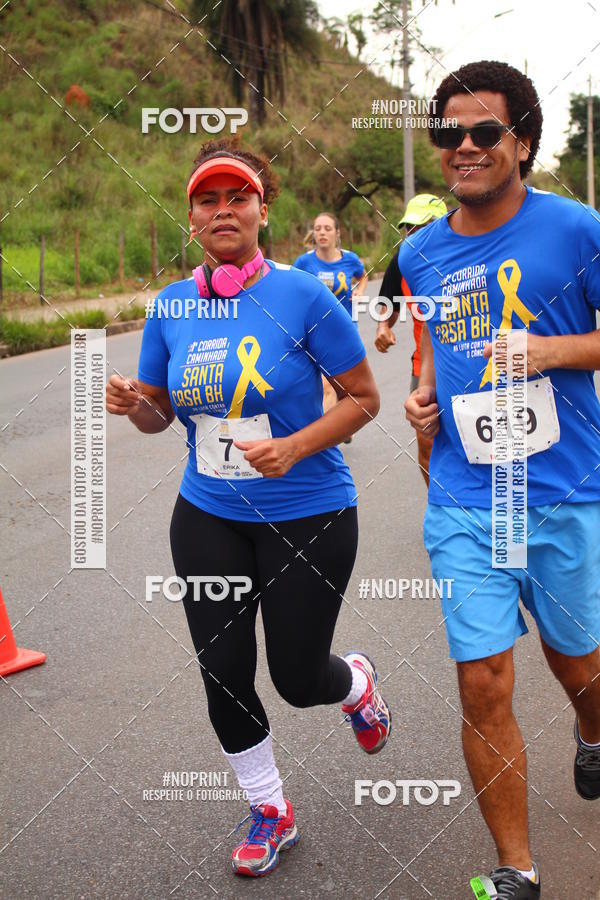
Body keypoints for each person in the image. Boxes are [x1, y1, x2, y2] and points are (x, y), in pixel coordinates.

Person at [105, 140, 391, 879]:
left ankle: (354, 682)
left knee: (298, 680)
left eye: (239, 197)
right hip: (208, 517)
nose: (223, 209)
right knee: (224, 671)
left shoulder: (304, 295)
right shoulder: (171, 304)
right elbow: (162, 416)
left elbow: (365, 397)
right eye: (208, 198)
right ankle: (271, 810)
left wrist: (295, 447)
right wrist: (138, 404)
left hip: (310, 511)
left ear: (264, 211)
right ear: (191, 217)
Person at [403, 61, 600, 898]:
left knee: (579, 668)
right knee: (483, 681)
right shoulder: (419, 251)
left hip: (564, 493)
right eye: (450, 133)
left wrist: (551, 351)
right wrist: (423, 402)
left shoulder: (578, 229)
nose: (466, 147)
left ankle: (592, 733)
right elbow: (431, 361)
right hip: (465, 497)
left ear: (522, 141)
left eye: (486, 132)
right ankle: (516, 870)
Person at [374, 194, 447, 484]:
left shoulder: (470, 257)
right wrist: (383, 327)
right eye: (410, 229)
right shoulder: (403, 261)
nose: (414, 236)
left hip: (473, 363)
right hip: (424, 367)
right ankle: (441, 509)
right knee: (427, 444)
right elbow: (389, 306)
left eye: (423, 228)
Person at [293, 213, 368, 416]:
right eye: (318, 229)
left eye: (327, 228)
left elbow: (363, 277)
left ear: (337, 233)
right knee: (326, 386)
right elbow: (293, 290)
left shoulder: (350, 259)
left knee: (341, 383)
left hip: (344, 329)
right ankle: (329, 436)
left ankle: (336, 429)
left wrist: (360, 290)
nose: (322, 232)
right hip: (315, 331)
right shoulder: (303, 263)